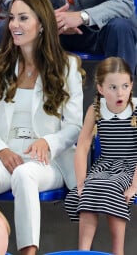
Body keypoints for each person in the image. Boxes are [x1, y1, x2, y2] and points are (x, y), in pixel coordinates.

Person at [0, 0, 85, 255]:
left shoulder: (67, 66)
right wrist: (1, 151)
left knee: (25, 174)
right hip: (5, 154)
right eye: (12, 18)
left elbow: (74, 127)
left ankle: (28, 251)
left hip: (48, 161)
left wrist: (48, 141)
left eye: (23, 18)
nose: (14, 24)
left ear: (42, 24)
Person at [0, 0, 137, 74]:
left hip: (94, 29)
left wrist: (82, 17)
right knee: (6, 28)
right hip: (47, 30)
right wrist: (48, 19)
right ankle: (10, 94)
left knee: (121, 27)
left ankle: (120, 99)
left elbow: (123, 1)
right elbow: (17, 1)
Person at [65, 57, 137, 255]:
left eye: (124, 86)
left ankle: (118, 251)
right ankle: (83, 251)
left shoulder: (136, 110)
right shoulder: (95, 110)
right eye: (113, 87)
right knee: (91, 186)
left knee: (112, 188)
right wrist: (81, 181)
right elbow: (82, 147)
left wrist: (134, 186)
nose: (120, 92)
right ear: (101, 88)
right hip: (105, 165)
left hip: (131, 166)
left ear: (131, 85)